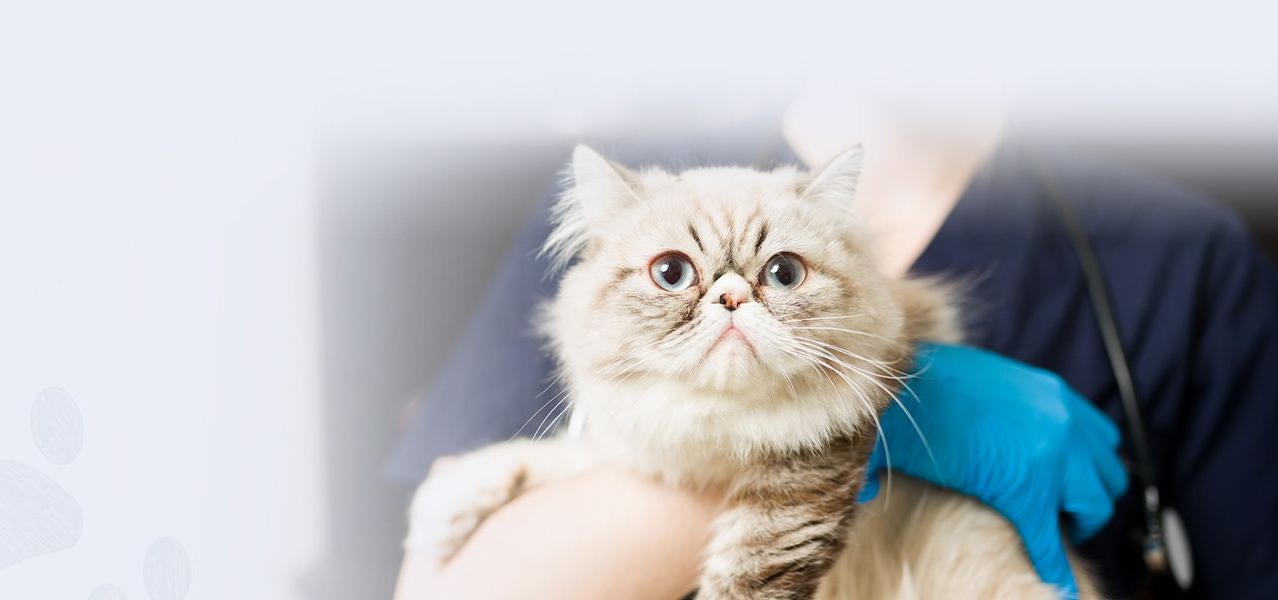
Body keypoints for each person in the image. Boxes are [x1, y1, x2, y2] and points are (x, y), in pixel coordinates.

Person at [388, 83, 1278, 599]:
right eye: (676, 276)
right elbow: (440, 588)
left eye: (779, 273)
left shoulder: (1179, 253)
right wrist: (851, 445)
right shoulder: (633, 185)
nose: (730, 297)